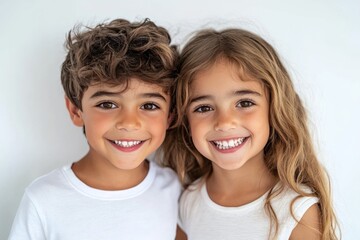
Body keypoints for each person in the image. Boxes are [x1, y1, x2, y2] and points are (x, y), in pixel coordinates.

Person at [9, 18, 181, 240]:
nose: (129, 123)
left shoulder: (176, 190)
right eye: (107, 104)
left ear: (170, 116)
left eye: (149, 105)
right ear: (75, 111)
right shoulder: (43, 199)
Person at [163, 28, 339, 240]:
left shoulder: (296, 211)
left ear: (274, 108)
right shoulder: (187, 202)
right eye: (203, 108)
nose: (224, 122)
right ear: (185, 120)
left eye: (244, 103)